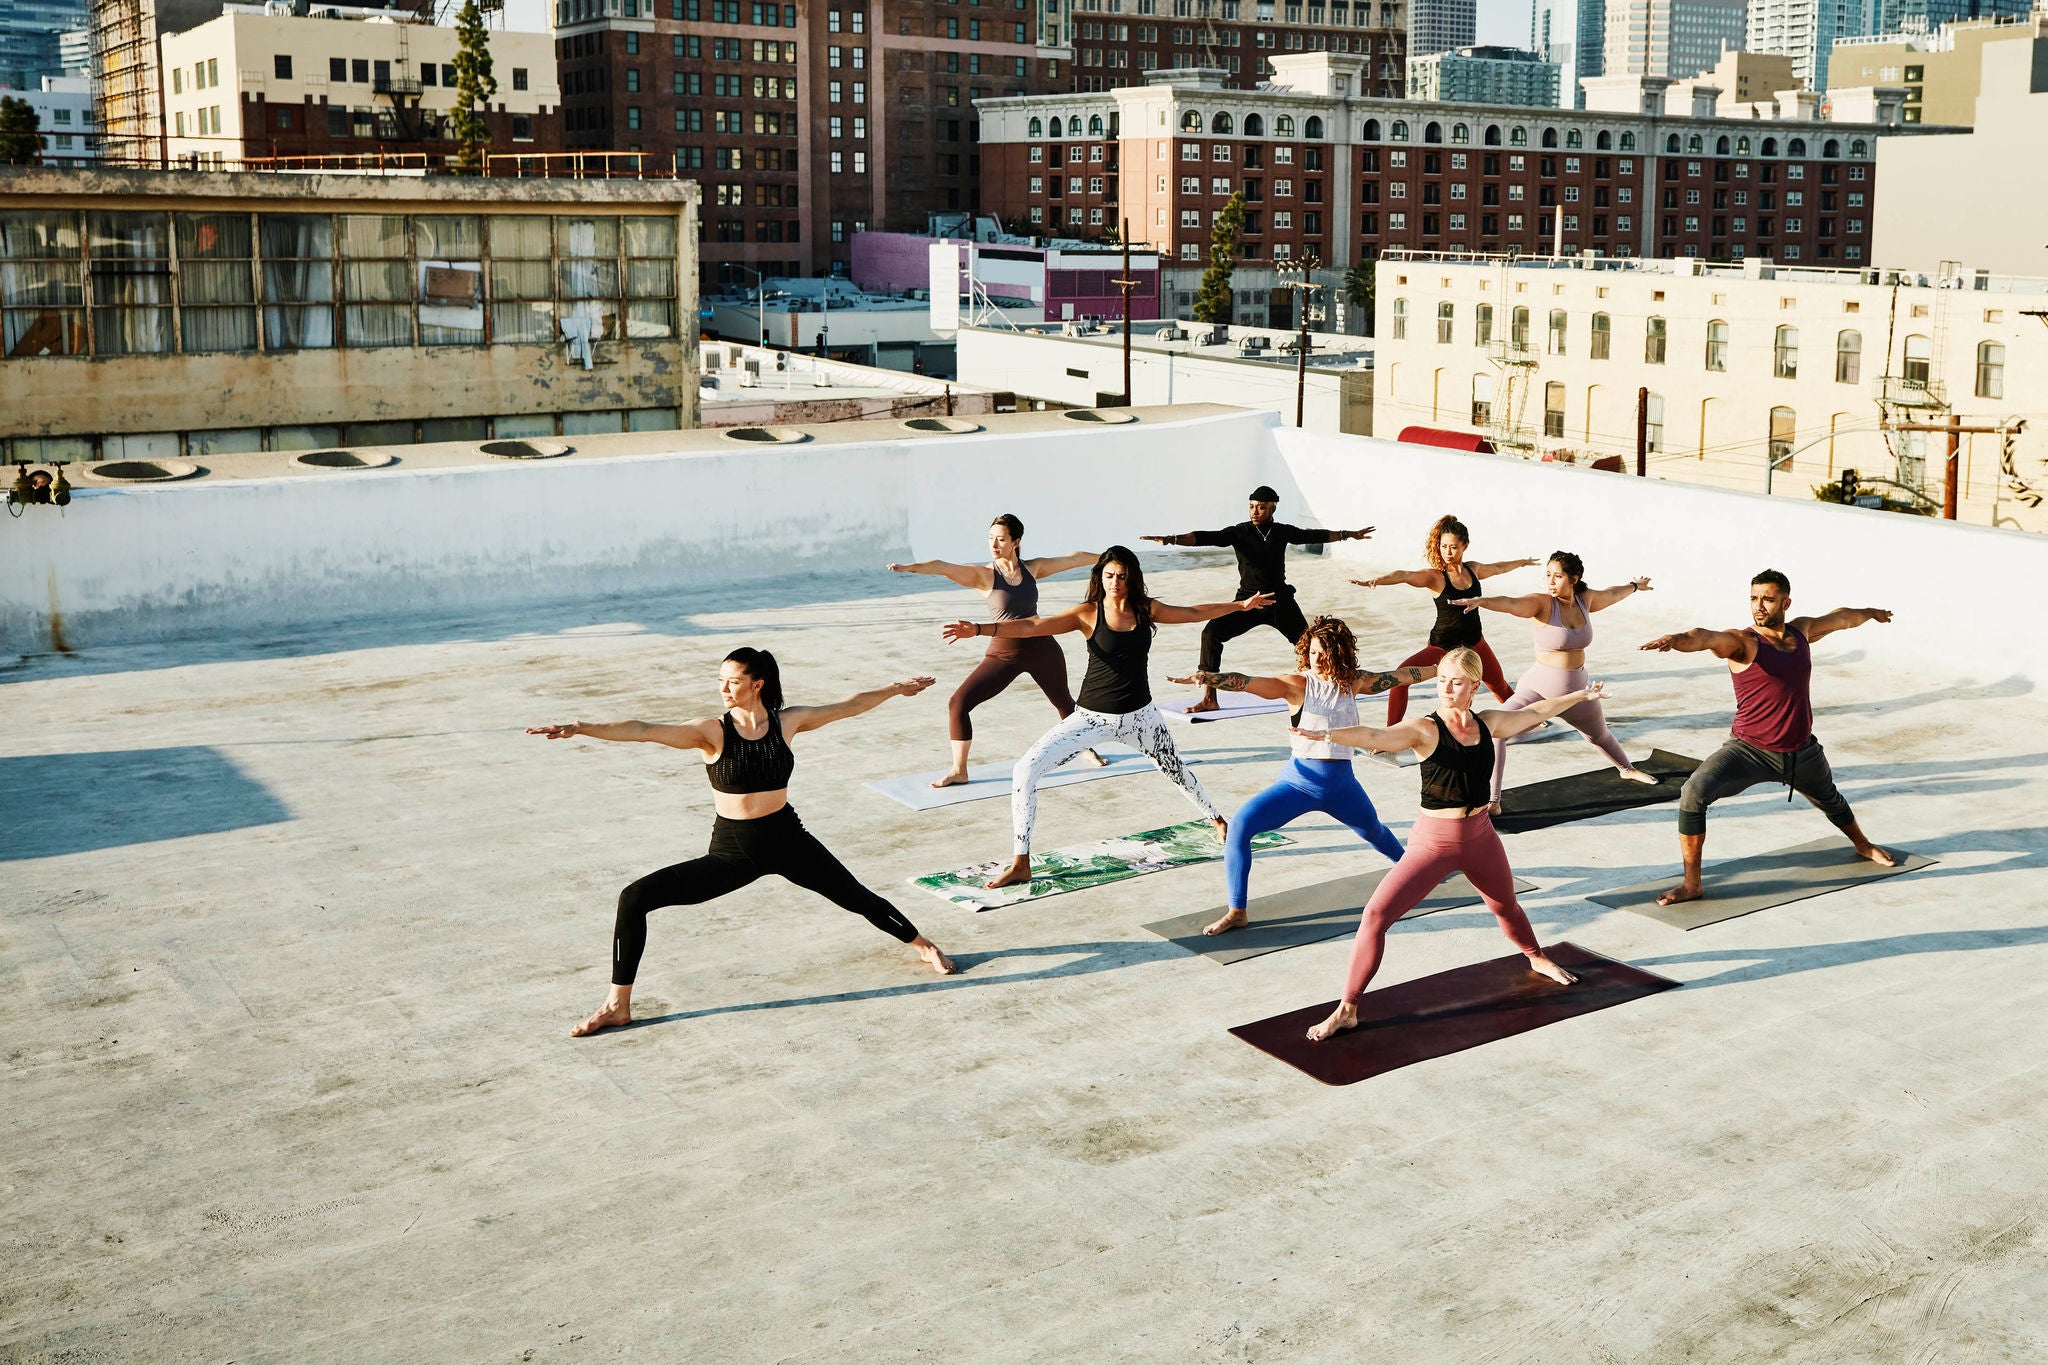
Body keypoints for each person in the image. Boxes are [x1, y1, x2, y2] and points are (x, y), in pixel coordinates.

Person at [529, 647, 957, 1038]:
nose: (723, 689)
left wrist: (896, 689)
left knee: (855, 895)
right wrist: (581, 728)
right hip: (732, 852)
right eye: (720, 680)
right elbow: (643, 729)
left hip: (788, 839)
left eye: (732, 681)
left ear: (758, 684)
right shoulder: (711, 732)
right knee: (635, 897)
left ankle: (924, 946)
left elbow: (848, 707)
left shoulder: (787, 722)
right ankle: (616, 1006)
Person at [1288, 647, 1594, 1042]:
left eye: (1457, 681)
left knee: (1505, 906)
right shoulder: (1424, 728)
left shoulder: (1489, 723)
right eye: (1442, 680)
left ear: (1474, 686)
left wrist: (1581, 695)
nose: (1447, 688)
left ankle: (1536, 957)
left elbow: (1536, 713)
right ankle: (1348, 1008)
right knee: (1375, 917)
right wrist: (1328, 734)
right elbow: (1376, 736)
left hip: (1481, 835)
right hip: (1433, 843)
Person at [943, 546, 1271, 890]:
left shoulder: (1147, 609)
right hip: (1090, 718)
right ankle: (1021, 862)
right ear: (1099, 577)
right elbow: (1033, 626)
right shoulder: (1087, 613)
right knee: (1024, 770)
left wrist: (1240, 606)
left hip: (1142, 717)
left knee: (1175, 770)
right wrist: (980, 629)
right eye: (1109, 575)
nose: (1115, 582)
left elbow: (1192, 612)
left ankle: (1218, 820)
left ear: (1132, 578)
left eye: (1122, 576)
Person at [1640, 570, 1897, 907]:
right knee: (1693, 792)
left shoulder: (1801, 631)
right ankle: (1692, 884)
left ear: (1786, 602)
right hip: (1748, 751)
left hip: (1801, 751)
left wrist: (1872, 614)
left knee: (1830, 799)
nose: (1758, 606)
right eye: (1753, 598)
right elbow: (1705, 637)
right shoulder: (1744, 642)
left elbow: (1841, 618)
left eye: (1767, 599)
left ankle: (1863, 845)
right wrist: (1677, 639)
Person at [1168, 616, 1436, 936]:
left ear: (1340, 653)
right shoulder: (1296, 685)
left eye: (1325, 653)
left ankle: (1415, 874)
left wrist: (1440, 669)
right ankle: (1237, 910)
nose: (1317, 659)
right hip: (1297, 784)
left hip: (1342, 788)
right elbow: (1248, 681)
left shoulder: (1353, 682)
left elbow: (1399, 676)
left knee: (1374, 831)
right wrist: (1210, 677)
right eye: (1312, 653)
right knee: (1240, 826)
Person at [888, 513, 1103, 787]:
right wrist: (908, 568)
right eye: (990, 539)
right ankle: (959, 770)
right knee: (958, 703)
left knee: (1063, 703)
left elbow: (1075, 558)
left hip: (1042, 647)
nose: (994, 544)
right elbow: (943, 566)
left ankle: (1085, 748)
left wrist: (1110, 556)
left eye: (1000, 539)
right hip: (1004, 652)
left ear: (1016, 541)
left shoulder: (1032, 569)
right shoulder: (984, 576)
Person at [1452, 550, 1661, 809]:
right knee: (1496, 730)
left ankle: (1626, 769)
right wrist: (1484, 601)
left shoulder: (1586, 600)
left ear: (1574, 579)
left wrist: (1634, 587)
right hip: (1537, 688)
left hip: (1577, 693)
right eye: (1548, 575)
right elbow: (1512, 603)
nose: (1550, 581)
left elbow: (1611, 594)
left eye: (1558, 576)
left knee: (1598, 736)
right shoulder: (1542, 604)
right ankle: (1494, 799)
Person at [1141, 484, 1374, 713]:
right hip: (1248, 602)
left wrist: (1348, 535)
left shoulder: (1281, 531)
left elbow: (1311, 535)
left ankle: (1328, 688)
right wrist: (1172, 539)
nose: (1254, 511)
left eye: (1261, 507)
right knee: (1211, 634)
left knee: (1309, 645)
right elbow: (1206, 537)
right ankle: (1210, 698)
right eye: (1252, 506)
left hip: (1279, 601)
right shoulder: (1239, 532)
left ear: (1272, 509)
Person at [1355, 514, 1536, 725]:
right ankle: (1390, 731)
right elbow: (1404, 574)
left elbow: (1498, 568)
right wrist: (1378, 580)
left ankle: (1526, 720)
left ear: (1465, 546)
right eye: (1443, 547)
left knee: (1499, 685)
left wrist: (1522, 562)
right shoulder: (1436, 577)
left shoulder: (1474, 569)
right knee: (1399, 679)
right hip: (1441, 648)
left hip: (1475, 645)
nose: (1447, 552)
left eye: (1453, 547)